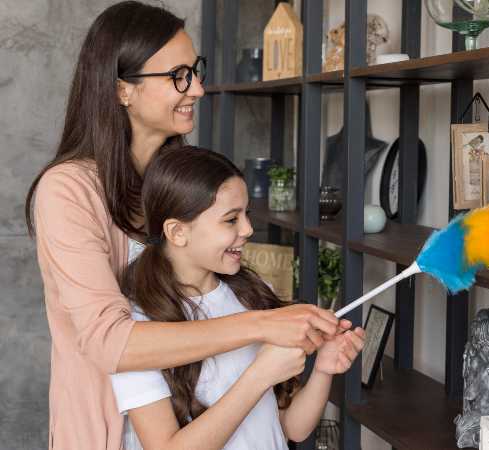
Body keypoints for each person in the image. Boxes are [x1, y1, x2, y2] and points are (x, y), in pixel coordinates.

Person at [26, 3, 340, 448]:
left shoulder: (181, 179)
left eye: (196, 70)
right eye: (178, 75)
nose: (198, 88)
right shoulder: (67, 191)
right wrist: (262, 325)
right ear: (122, 90)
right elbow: (111, 343)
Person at [111, 146, 365, 449]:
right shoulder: (138, 326)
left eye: (247, 215)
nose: (248, 229)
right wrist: (260, 375)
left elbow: (290, 428)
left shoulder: (252, 293)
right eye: (231, 219)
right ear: (178, 232)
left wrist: (324, 368)